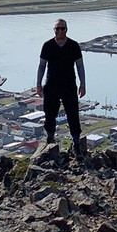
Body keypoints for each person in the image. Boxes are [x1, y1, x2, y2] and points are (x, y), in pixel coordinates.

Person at [35, 18, 86, 158]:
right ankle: (50, 140)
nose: (60, 31)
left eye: (62, 28)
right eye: (57, 28)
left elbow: (80, 66)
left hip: (69, 85)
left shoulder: (74, 45)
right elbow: (41, 66)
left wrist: (83, 84)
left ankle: (76, 144)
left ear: (66, 30)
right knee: (50, 114)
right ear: (54, 30)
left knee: (73, 115)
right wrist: (38, 84)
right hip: (51, 86)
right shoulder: (47, 45)